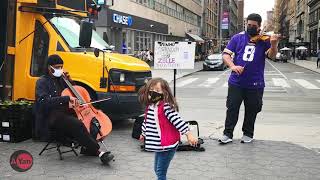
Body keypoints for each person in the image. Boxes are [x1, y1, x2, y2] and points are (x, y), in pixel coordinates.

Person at [34, 55, 114, 164]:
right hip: (52, 117)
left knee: (92, 122)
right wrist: (66, 98)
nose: (60, 70)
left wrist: (71, 82)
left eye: (61, 67)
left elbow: (75, 92)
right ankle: (98, 152)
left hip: (67, 112)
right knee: (77, 124)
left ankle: (87, 148)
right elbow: (44, 102)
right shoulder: (42, 82)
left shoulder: (62, 80)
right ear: (49, 67)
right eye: (57, 67)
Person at [219, 13, 279, 144]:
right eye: (248, 25)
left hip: (255, 83)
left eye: (254, 26)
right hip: (236, 82)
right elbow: (226, 55)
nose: (250, 27)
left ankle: (248, 133)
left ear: (259, 27)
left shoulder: (265, 39)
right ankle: (227, 134)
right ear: (246, 24)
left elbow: (272, 56)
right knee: (232, 108)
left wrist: (273, 44)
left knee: (252, 109)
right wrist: (233, 66)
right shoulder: (237, 37)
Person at [138, 78, 198, 180]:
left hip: (168, 145)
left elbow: (177, 121)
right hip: (160, 145)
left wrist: (188, 133)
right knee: (156, 169)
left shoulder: (166, 107)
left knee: (160, 172)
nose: (153, 93)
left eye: (157, 91)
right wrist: (143, 133)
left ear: (165, 93)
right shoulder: (151, 106)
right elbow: (146, 121)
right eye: (151, 90)